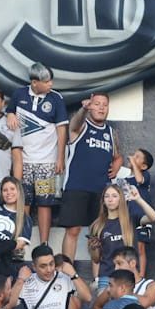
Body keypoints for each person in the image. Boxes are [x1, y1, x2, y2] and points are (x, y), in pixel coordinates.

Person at [6, 62, 69, 246]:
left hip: (47, 163)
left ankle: (44, 244)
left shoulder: (56, 98)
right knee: (23, 202)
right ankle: (20, 241)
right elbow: (9, 112)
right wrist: (10, 113)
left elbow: (61, 130)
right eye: (46, 81)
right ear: (35, 82)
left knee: (44, 203)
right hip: (22, 163)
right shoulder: (19, 94)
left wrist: (59, 158)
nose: (51, 84)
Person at [59, 93, 122, 261]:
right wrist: (83, 110)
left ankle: (98, 277)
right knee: (73, 230)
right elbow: (73, 124)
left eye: (104, 105)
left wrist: (116, 166)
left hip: (101, 191)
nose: (101, 107)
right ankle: (67, 271)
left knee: (98, 234)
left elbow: (117, 156)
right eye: (97, 104)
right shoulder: (81, 126)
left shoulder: (110, 132)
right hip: (76, 186)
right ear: (90, 106)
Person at [87, 184, 155, 290]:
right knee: (106, 306)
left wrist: (138, 199)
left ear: (121, 199)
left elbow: (154, 217)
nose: (110, 199)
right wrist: (96, 278)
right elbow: (96, 258)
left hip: (129, 276)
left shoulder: (131, 219)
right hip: (107, 276)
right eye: (107, 196)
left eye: (114, 196)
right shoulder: (97, 225)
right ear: (103, 201)